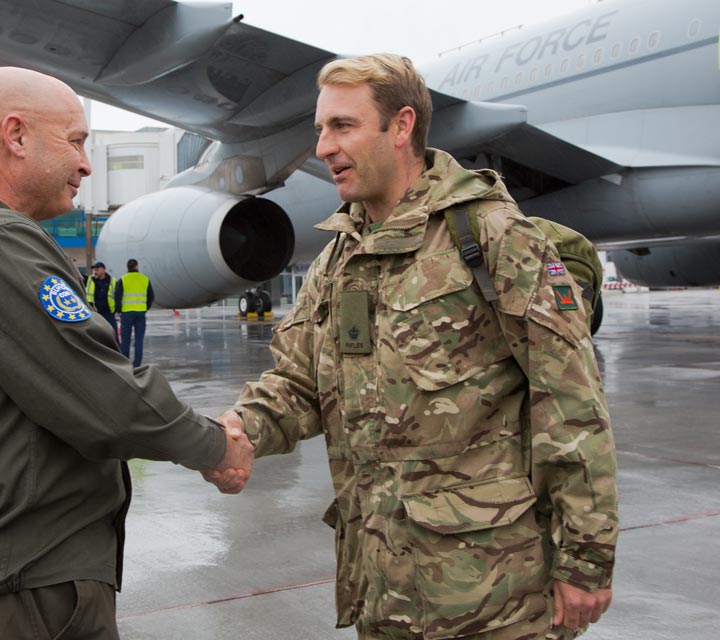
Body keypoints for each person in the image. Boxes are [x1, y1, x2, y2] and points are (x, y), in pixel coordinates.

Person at [209, 54, 618, 639]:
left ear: (401, 126)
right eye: (320, 129)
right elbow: (299, 384)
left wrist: (585, 559)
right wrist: (240, 431)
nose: (322, 147)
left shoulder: (492, 237)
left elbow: (572, 404)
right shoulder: (338, 259)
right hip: (383, 590)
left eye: (342, 126)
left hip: (494, 599)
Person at [0, 67, 253, 640]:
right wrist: (212, 446)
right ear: (16, 135)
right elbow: (104, 396)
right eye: (76, 141)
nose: (85, 164)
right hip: (25, 589)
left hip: (9, 577)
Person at [114, 258, 153, 367]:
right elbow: (151, 296)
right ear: (136, 266)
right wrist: (145, 307)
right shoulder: (145, 279)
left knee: (125, 339)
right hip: (140, 313)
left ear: (128, 267)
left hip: (127, 313)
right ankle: (137, 363)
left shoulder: (123, 279)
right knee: (139, 339)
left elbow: (117, 296)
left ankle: (125, 361)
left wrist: (119, 310)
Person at [86, 261, 117, 338]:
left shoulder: (111, 281)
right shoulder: (91, 280)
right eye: (94, 270)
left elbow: (117, 295)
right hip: (96, 312)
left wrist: (116, 309)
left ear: (103, 270)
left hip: (108, 312)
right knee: (96, 335)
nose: (95, 272)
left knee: (113, 333)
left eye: (97, 270)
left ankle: (116, 349)